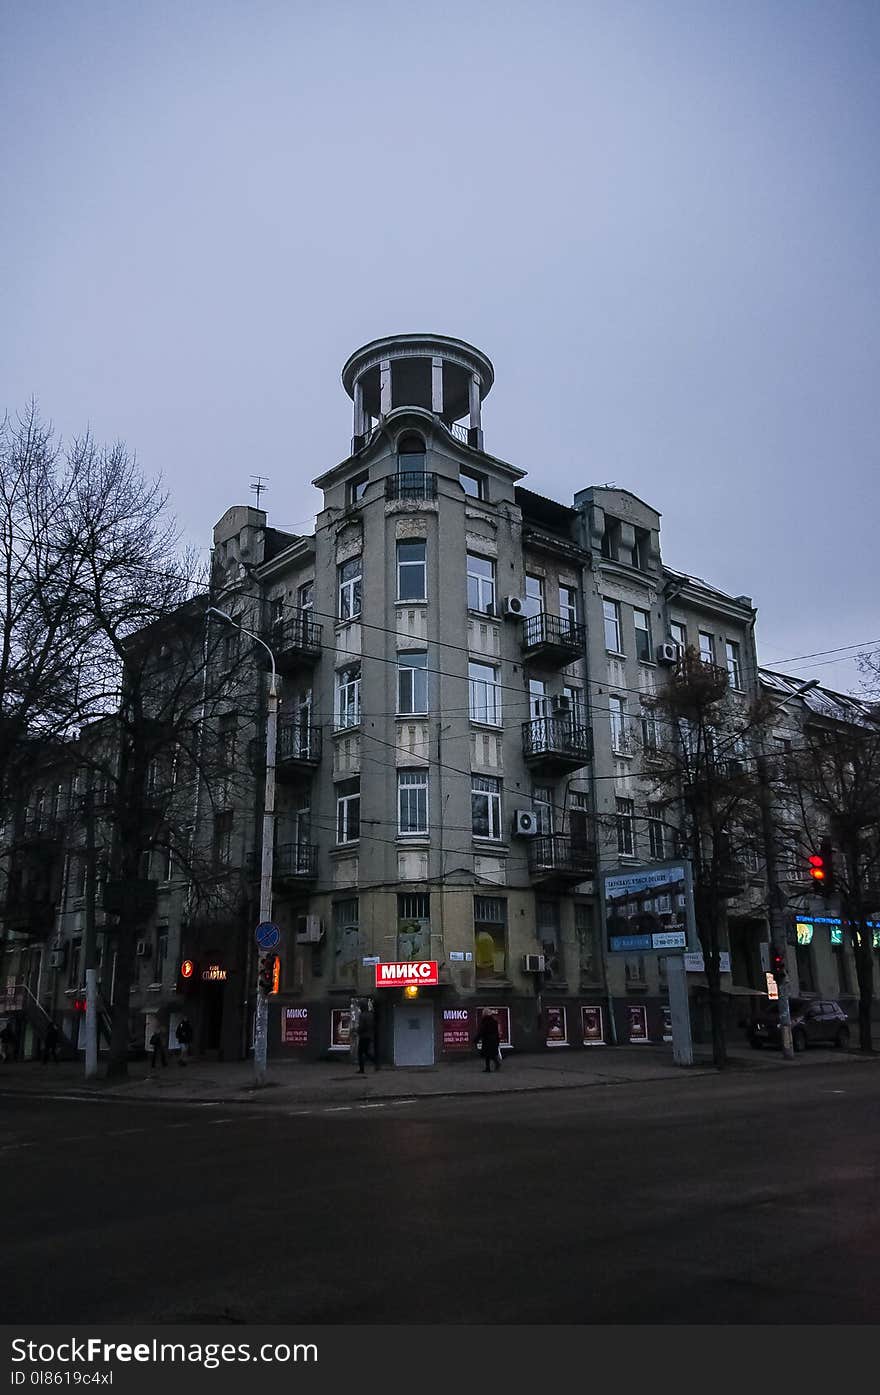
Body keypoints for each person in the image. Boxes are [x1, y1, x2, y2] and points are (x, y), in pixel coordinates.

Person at [356, 1000, 379, 1073]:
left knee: (360, 1053)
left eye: (360, 1006)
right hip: (369, 1035)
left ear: (362, 1007)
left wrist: (357, 1031)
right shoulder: (371, 1015)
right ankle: (376, 1062)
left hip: (363, 1036)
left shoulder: (362, 1015)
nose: (359, 1008)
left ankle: (362, 1069)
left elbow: (362, 1026)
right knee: (366, 1052)